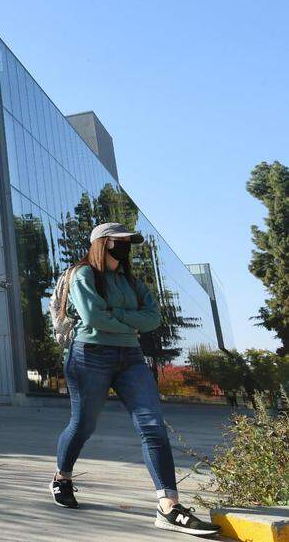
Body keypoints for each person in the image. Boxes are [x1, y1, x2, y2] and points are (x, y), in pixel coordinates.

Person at [50, 223, 219, 536]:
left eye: (130, 241)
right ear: (104, 242)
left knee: (152, 426)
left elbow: (153, 317)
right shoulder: (83, 275)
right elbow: (92, 317)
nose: (128, 245)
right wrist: (129, 320)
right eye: (122, 241)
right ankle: (62, 477)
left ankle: (168, 506)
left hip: (130, 358)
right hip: (89, 355)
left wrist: (114, 315)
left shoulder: (131, 282)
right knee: (83, 425)